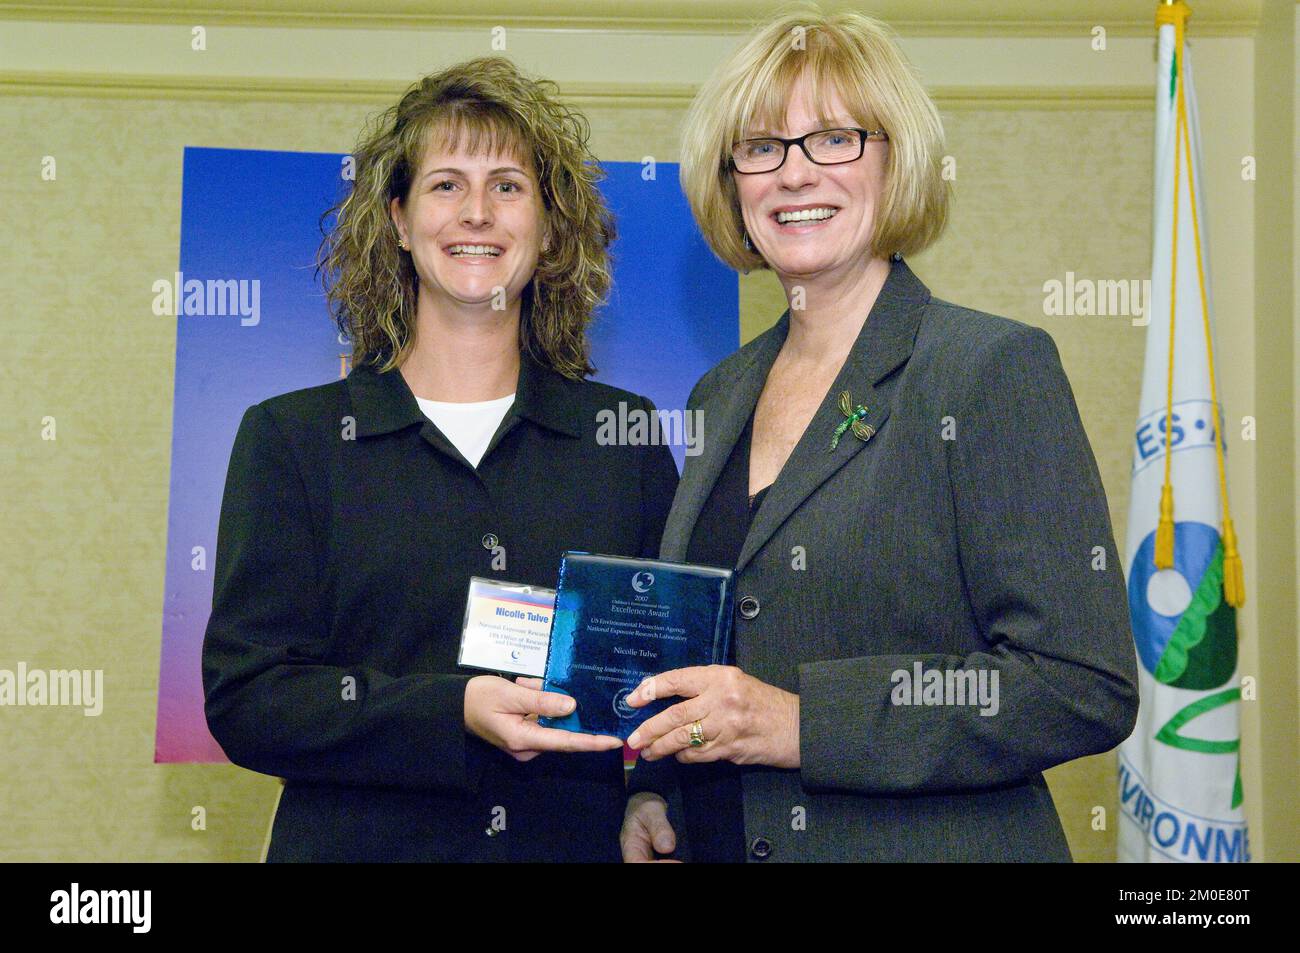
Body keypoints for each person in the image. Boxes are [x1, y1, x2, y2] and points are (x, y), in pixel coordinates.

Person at [620, 8, 1139, 862]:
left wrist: (803, 722)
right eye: (761, 147)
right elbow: (725, 647)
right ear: (731, 182)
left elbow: (1083, 685)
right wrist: (655, 789)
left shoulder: (989, 368)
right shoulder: (719, 393)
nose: (793, 175)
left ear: (897, 159)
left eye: (833, 139)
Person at [202, 56, 679, 862]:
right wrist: (449, 711)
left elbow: (667, 673)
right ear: (398, 218)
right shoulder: (294, 439)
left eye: (508, 186)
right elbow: (249, 697)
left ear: (548, 225)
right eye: (446, 184)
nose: (478, 213)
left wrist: (650, 793)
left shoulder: (622, 437)